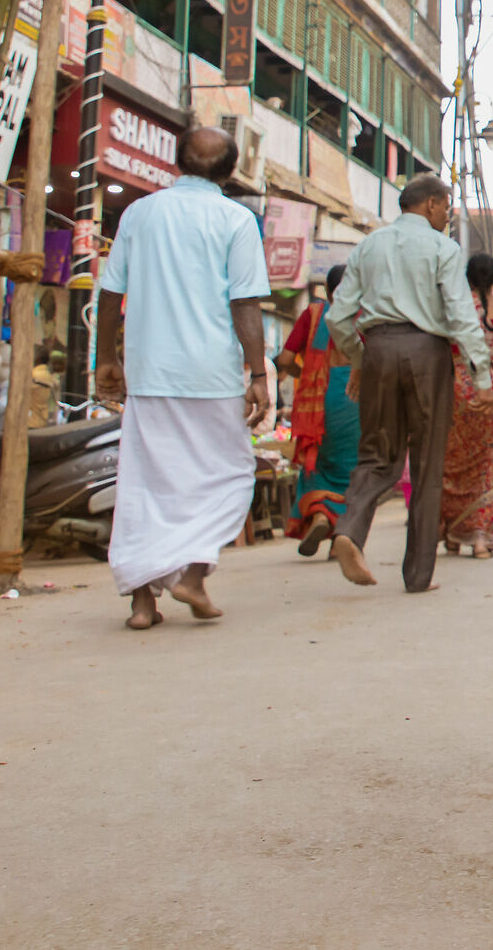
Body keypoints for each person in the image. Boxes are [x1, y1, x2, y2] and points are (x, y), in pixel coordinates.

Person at [94, 126, 272, 631]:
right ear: (230, 171)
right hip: (211, 374)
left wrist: (106, 356)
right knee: (232, 475)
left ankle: (142, 604)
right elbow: (246, 304)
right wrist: (258, 373)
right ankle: (192, 571)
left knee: (145, 485)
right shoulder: (237, 220)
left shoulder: (139, 214)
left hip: (150, 373)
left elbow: (111, 292)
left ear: (177, 162)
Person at [324, 176, 491, 594]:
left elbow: (337, 317)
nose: (448, 214)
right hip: (427, 354)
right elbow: (458, 312)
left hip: (378, 348)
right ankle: (418, 575)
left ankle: (349, 529)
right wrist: (481, 375)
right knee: (427, 463)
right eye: (446, 205)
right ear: (431, 204)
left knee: (377, 454)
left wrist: (361, 360)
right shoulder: (442, 248)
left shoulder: (368, 246)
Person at [437, 253, 493, 558]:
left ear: (467, 280)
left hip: (460, 388)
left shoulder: (456, 312)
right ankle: (482, 538)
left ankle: (453, 533)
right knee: (492, 465)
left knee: (456, 463)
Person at [277, 265, 362, 557]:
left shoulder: (313, 315)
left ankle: (321, 515)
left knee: (318, 464)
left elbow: (285, 358)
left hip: (318, 400)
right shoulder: (364, 316)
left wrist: (304, 373)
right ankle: (341, 532)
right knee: (353, 468)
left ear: (327, 290)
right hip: (355, 398)